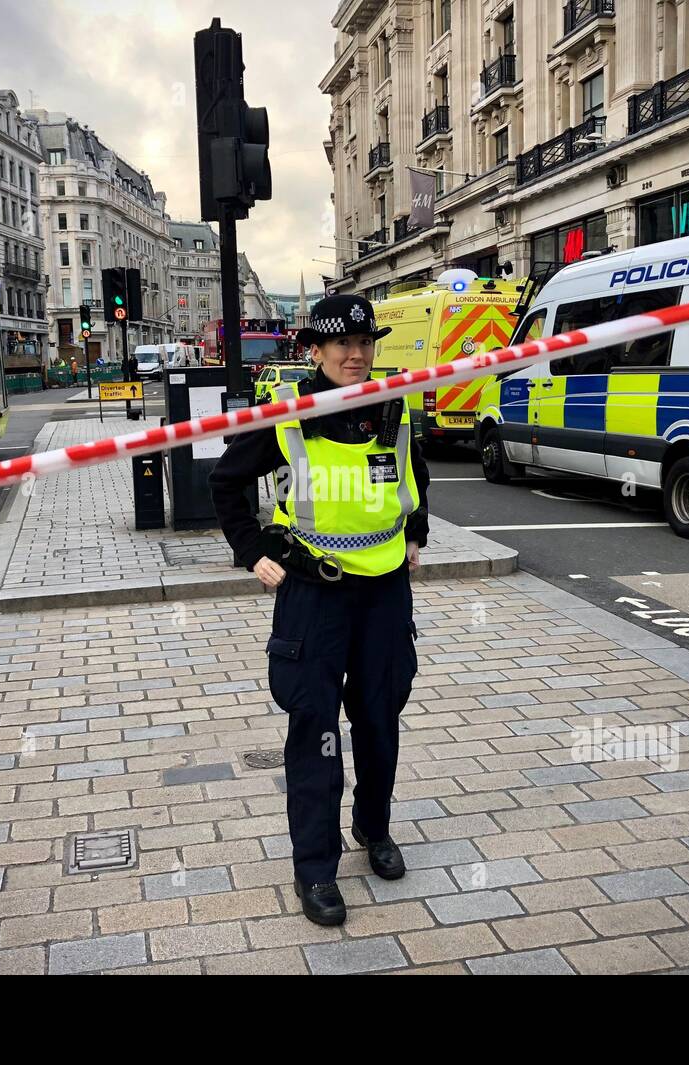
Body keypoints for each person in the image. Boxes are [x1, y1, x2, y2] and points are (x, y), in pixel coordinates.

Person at [209, 293, 429, 927]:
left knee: (381, 719)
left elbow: (415, 477)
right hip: (313, 596)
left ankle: (373, 829)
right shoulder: (288, 415)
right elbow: (226, 484)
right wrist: (253, 553)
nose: (356, 355)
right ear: (316, 351)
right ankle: (316, 869)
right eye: (341, 345)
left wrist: (416, 532)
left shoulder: (395, 404)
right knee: (316, 731)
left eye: (365, 344)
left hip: (385, 593)